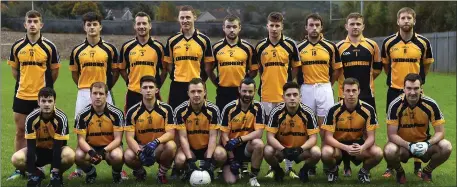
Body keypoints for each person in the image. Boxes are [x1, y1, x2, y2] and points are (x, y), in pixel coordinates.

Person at [68, 12, 125, 180]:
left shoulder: (110, 49)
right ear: (84, 27)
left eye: (95, 24)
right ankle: (80, 169)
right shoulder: (77, 50)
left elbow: (115, 72)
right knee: (81, 128)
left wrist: (105, 89)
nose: (92, 27)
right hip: (84, 92)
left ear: (100, 26)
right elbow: (75, 75)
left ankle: (118, 167)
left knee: (111, 126)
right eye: (88, 24)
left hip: (104, 92)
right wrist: (84, 89)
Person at [381, 7, 434, 178]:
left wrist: (418, 83)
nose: (406, 21)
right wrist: (397, 81)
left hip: (416, 92)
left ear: (414, 21)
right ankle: (391, 165)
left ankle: (418, 166)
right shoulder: (389, 43)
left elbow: (426, 65)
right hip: (395, 91)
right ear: (398, 21)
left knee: (419, 125)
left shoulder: (423, 43)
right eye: (402, 18)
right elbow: (386, 66)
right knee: (393, 128)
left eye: (409, 18)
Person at [7, 10, 60, 180]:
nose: (32, 24)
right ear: (24, 24)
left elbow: (55, 71)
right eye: (29, 21)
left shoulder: (49, 46)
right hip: (22, 95)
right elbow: (15, 71)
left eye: (35, 21)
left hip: (42, 99)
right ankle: (19, 169)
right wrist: (26, 84)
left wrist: (43, 89)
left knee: (44, 133)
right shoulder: (17, 47)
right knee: (20, 132)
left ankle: (41, 167)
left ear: (41, 24)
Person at [335, 12, 382, 176]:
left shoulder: (372, 45)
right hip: (344, 95)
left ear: (363, 26)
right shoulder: (339, 46)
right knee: (345, 130)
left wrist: (366, 83)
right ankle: (346, 165)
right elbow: (337, 70)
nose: (355, 27)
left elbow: (377, 69)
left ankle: (365, 166)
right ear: (346, 26)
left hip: (367, 95)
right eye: (352, 24)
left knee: (367, 131)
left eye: (358, 24)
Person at [384, 73, 452, 184]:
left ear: (421, 89)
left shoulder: (431, 104)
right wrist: (408, 145)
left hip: (424, 146)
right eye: (409, 88)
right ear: (403, 89)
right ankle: (400, 172)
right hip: (404, 146)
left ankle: (427, 171)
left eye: (416, 88)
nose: (412, 92)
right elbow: (391, 135)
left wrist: (428, 144)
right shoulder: (395, 105)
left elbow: (440, 132)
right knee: (389, 150)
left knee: (446, 146)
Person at [256, 12, 301, 178]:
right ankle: (272, 167)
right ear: (267, 26)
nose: (274, 29)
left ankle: (289, 167)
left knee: (287, 131)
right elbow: (259, 69)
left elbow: (295, 68)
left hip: (285, 97)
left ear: (282, 26)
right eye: (271, 25)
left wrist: (288, 84)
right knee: (271, 133)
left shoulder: (290, 45)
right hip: (266, 95)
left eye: (277, 26)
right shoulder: (260, 46)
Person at [297, 13, 342, 176]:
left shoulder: (330, 46)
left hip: (324, 87)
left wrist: (328, 85)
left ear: (321, 27)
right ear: (306, 27)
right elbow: (295, 70)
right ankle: (311, 164)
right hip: (306, 88)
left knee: (325, 128)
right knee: (308, 127)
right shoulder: (299, 47)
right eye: (311, 25)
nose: (314, 28)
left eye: (317, 25)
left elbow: (337, 69)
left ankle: (328, 164)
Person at [321, 78, 383, 183]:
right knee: (326, 152)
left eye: (354, 91)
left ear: (358, 91)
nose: (351, 94)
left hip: (357, 146)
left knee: (378, 153)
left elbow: (371, 137)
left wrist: (362, 147)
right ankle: (333, 170)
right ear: (342, 92)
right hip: (338, 146)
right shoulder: (333, 110)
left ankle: (363, 172)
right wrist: (345, 147)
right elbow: (327, 137)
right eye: (348, 91)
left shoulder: (368, 110)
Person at [11, 87, 74, 187]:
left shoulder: (61, 118)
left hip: (55, 150)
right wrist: (32, 173)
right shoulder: (31, 118)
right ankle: (37, 174)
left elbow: (59, 146)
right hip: (37, 151)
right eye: (43, 101)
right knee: (16, 159)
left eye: (50, 101)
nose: (47, 104)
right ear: (38, 102)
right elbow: (31, 147)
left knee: (69, 155)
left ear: (54, 102)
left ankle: (57, 174)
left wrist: (55, 171)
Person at [264, 82, 321, 183]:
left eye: (295, 95)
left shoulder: (308, 113)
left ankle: (304, 171)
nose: (292, 98)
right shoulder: (276, 112)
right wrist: (283, 149)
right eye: (288, 95)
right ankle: (278, 171)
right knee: (267, 150)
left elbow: (313, 138)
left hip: (300, 151)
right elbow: (270, 137)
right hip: (282, 150)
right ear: (283, 97)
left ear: (300, 97)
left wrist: (300, 149)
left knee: (316, 152)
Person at [123, 76, 177, 184]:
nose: (148, 90)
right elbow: (129, 138)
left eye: (151, 87)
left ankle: (161, 174)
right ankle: (140, 172)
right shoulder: (132, 111)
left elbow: (171, 133)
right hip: (141, 147)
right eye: (145, 87)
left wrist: (155, 142)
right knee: (128, 156)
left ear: (156, 90)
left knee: (171, 146)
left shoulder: (167, 109)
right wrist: (139, 152)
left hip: (158, 147)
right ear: (140, 90)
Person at [173, 78, 227, 180]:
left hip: (207, 148)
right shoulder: (180, 110)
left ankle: (208, 169)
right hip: (190, 148)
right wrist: (189, 160)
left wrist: (208, 160)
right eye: (193, 91)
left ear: (205, 92)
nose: (196, 95)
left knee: (221, 154)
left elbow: (213, 136)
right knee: (180, 160)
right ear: (188, 93)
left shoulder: (213, 110)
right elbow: (183, 137)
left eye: (199, 91)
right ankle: (188, 171)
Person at [74, 82, 125, 184]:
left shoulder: (116, 113)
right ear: (90, 95)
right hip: (91, 148)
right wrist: (92, 153)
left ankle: (116, 173)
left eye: (101, 94)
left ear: (106, 95)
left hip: (110, 148)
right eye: (95, 93)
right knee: (78, 155)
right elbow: (81, 140)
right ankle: (90, 173)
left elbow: (118, 139)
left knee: (118, 155)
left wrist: (103, 152)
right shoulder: (82, 115)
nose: (98, 97)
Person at [164, 5, 215, 109]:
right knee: (175, 119)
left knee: (199, 117)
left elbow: (208, 66)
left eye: (188, 17)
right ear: (178, 19)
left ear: (194, 17)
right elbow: (168, 65)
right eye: (182, 18)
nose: (185, 20)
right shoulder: (172, 41)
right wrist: (177, 76)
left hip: (197, 86)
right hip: (177, 86)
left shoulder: (204, 40)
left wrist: (200, 80)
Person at [207, 14, 258, 111]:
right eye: (228, 27)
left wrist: (245, 83)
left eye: (234, 27)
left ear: (239, 28)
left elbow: (254, 70)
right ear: (223, 28)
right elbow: (209, 69)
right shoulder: (216, 48)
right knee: (222, 122)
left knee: (243, 120)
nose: (231, 30)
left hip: (242, 92)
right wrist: (217, 83)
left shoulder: (248, 48)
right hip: (222, 91)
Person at [219, 78, 265, 186]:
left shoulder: (258, 107)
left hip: (246, 147)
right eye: (244, 91)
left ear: (255, 91)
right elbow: (224, 135)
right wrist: (231, 159)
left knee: (259, 144)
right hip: (231, 148)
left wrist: (239, 139)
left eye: (250, 91)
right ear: (239, 90)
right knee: (230, 181)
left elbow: (259, 133)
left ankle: (253, 177)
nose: (247, 94)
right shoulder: (229, 108)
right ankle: (227, 168)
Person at [119, 12, 167, 112]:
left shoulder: (159, 47)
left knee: (156, 123)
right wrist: (130, 82)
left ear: (150, 25)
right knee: (130, 125)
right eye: (139, 24)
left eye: (144, 23)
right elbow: (122, 69)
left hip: (152, 93)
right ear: (134, 26)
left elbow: (165, 69)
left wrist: (157, 85)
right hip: (133, 93)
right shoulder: (127, 47)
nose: (141, 26)